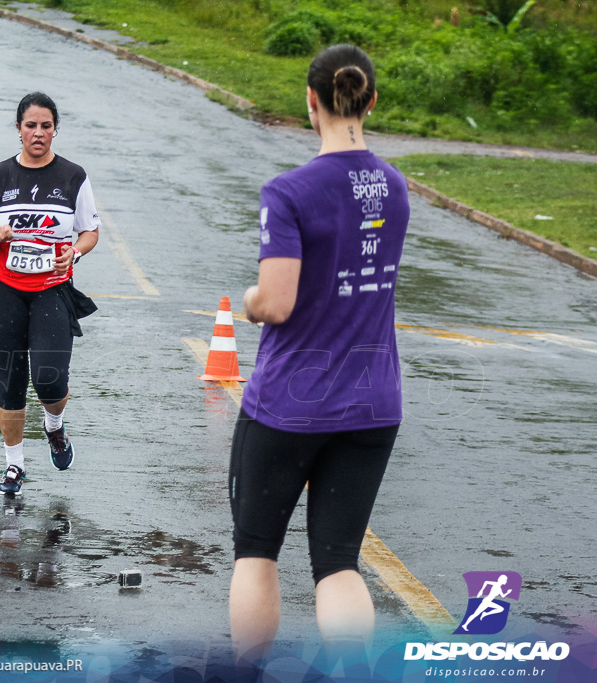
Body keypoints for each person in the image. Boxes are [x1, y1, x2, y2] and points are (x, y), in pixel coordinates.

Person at [228, 44, 410, 665]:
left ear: (311, 102)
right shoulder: (395, 186)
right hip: (374, 401)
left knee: (256, 550)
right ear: (371, 101)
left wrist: (250, 300)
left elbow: (276, 303)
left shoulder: (289, 192)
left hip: (290, 404)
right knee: (337, 561)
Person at [0, 92, 100, 496]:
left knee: (50, 379)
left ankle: (55, 428)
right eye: (30, 125)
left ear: (55, 129)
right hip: (2, 288)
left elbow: (90, 231)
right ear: (19, 129)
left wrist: (73, 253)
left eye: (45, 126)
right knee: (11, 381)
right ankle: (14, 466)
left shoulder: (73, 176)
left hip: (51, 290)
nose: (38, 133)